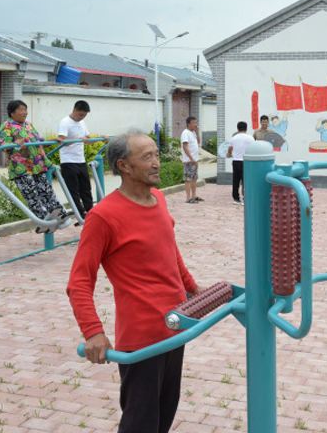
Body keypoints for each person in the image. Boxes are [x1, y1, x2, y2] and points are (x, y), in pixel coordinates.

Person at [67, 131, 206, 433]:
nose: (156, 163)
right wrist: (93, 332)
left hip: (175, 324)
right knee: (140, 423)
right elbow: (79, 281)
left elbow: (170, 251)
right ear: (124, 166)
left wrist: (194, 288)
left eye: (156, 154)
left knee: (165, 413)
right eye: (147, 157)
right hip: (142, 339)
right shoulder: (103, 216)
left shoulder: (158, 198)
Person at [0, 99, 68, 232]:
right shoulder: (6, 126)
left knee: (46, 190)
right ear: (12, 112)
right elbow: (2, 145)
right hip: (21, 168)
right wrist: (15, 142)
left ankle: (59, 215)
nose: (25, 112)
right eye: (21, 110)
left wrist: (51, 141)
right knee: (31, 194)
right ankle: (42, 220)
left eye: (26, 109)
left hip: (37, 165)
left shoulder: (29, 125)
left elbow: (38, 141)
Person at [58, 100, 106, 221]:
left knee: (86, 188)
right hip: (68, 161)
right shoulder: (65, 122)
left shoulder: (82, 123)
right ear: (74, 110)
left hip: (80, 160)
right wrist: (79, 139)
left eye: (84, 116)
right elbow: (63, 142)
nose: (81, 118)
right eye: (80, 115)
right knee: (73, 189)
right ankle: (80, 214)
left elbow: (87, 139)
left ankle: (91, 212)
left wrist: (101, 138)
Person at [228, 121, 254, 205]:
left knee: (236, 180)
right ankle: (245, 198)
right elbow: (253, 149)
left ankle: (236, 198)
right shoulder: (250, 138)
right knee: (245, 180)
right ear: (246, 128)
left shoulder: (234, 138)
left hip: (236, 161)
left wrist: (229, 154)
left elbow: (230, 149)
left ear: (237, 128)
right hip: (246, 162)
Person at [180, 116, 202, 204]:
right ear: (188, 124)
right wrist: (191, 158)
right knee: (188, 179)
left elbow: (198, 142)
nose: (195, 124)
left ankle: (194, 195)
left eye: (196, 123)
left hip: (195, 159)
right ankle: (188, 197)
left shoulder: (193, 132)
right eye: (193, 123)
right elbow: (185, 146)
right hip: (189, 160)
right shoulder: (185, 133)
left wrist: (197, 133)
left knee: (194, 178)